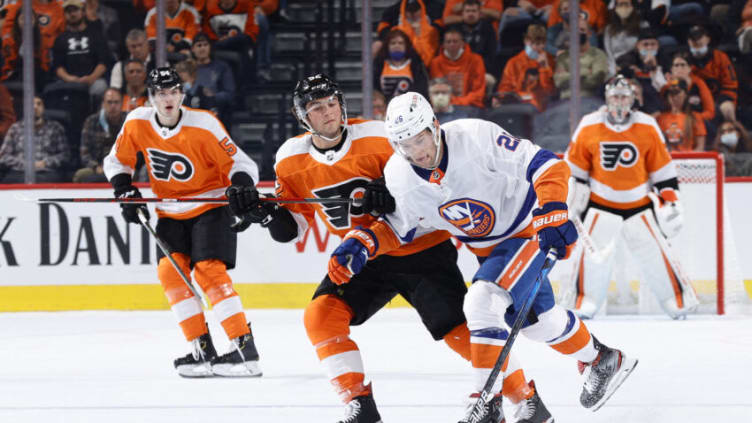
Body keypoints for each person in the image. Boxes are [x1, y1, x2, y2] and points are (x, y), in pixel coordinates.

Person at [225, 74, 553, 423]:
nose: (328, 113)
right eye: (317, 108)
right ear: (303, 117)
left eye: (332, 103)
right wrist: (263, 212)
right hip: (363, 256)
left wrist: (391, 190)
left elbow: (430, 177)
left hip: (421, 250)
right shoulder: (291, 158)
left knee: (461, 333)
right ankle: (359, 404)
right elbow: (290, 229)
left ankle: (527, 399)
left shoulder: (380, 136)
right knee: (321, 316)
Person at [328, 90, 637, 421]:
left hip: (527, 229)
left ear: (434, 126)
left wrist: (552, 210)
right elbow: (401, 227)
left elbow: (546, 164)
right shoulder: (399, 176)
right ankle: (602, 358)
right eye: (405, 145)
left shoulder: (474, 137)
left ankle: (485, 402)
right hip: (489, 250)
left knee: (481, 302)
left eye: (420, 139)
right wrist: (361, 243)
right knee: (538, 323)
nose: (416, 152)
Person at [102, 67, 263, 378]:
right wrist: (124, 188)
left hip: (211, 206)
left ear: (182, 94)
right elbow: (117, 161)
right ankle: (201, 350)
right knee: (170, 273)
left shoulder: (203, 124)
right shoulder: (136, 121)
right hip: (169, 211)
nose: (168, 98)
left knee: (207, 271)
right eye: (161, 93)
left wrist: (241, 188)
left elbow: (240, 163)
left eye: (174, 91)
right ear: (150, 97)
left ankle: (244, 347)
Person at [564, 74, 699, 319]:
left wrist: (671, 200)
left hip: (639, 205)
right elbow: (575, 171)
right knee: (592, 259)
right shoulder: (589, 124)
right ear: (606, 98)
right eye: (615, 96)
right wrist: (572, 199)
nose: (619, 101)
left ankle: (678, 300)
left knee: (658, 256)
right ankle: (585, 300)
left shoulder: (647, 124)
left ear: (633, 99)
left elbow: (663, 170)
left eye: (624, 96)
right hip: (600, 205)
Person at [0, 95, 69, 183]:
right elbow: (3, 156)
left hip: (47, 172)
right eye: (31, 104)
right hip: (19, 172)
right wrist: (24, 164)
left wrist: (44, 163)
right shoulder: (15, 128)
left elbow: (65, 155)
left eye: (39, 104)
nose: (35, 107)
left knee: (43, 180)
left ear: (43, 108)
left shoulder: (55, 128)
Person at [51, 0, 109, 98]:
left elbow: (103, 62)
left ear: (83, 11)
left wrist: (91, 78)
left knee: (100, 87)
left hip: (93, 80)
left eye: (75, 10)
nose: (72, 14)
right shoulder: (60, 39)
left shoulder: (95, 35)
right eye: (68, 11)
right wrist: (70, 79)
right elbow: (58, 66)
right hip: (68, 81)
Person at [494, 23, 555, 112]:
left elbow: (550, 92)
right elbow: (504, 89)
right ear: (526, 41)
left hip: (542, 106)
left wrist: (544, 68)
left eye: (541, 43)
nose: (536, 47)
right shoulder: (514, 62)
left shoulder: (550, 61)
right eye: (534, 43)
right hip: (517, 104)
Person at [687, 24, 738, 123]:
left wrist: (719, 101)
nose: (696, 41)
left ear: (707, 39)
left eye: (699, 38)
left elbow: (731, 84)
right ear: (688, 41)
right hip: (696, 98)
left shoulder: (720, 57)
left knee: (727, 108)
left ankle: (732, 131)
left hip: (719, 97)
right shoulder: (684, 60)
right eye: (693, 39)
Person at [73, 88, 127, 183]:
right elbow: (84, 153)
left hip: (124, 167)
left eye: (116, 102)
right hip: (97, 168)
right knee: (80, 175)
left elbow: (138, 150)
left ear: (122, 104)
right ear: (103, 104)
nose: (113, 106)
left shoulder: (129, 121)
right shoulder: (91, 121)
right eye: (109, 102)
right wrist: (96, 167)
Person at [429, 26, 486, 112]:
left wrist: (459, 102)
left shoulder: (476, 60)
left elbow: (478, 91)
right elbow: (439, 88)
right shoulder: (436, 63)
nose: (452, 44)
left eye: (455, 41)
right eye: (448, 42)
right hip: (444, 107)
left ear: (463, 43)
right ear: (443, 45)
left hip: (470, 107)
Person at [553, 19, 608, 100]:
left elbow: (597, 80)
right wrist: (585, 72)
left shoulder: (599, 55)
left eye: (582, 30)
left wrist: (568, 75)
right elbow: (559, 82)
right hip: (565, 101)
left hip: (590, 100)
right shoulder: (563, 57)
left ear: (589, 33)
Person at [373, 28, 430, 101]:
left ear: (406, 46)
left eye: (401, 43)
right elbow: (375, 88)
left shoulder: (415, 65)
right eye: (393, 43)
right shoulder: (380, 64)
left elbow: (421, 88)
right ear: (387, 46)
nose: (397, 46)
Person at [657, 78, 707, 151]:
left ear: (685, 94)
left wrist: (687, 159)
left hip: (688, 160)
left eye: (677, 92)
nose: (673, 96)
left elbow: (700, 147)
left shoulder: (694, 117)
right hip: (667, 159)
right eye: (670, 93)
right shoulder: (660, 118)